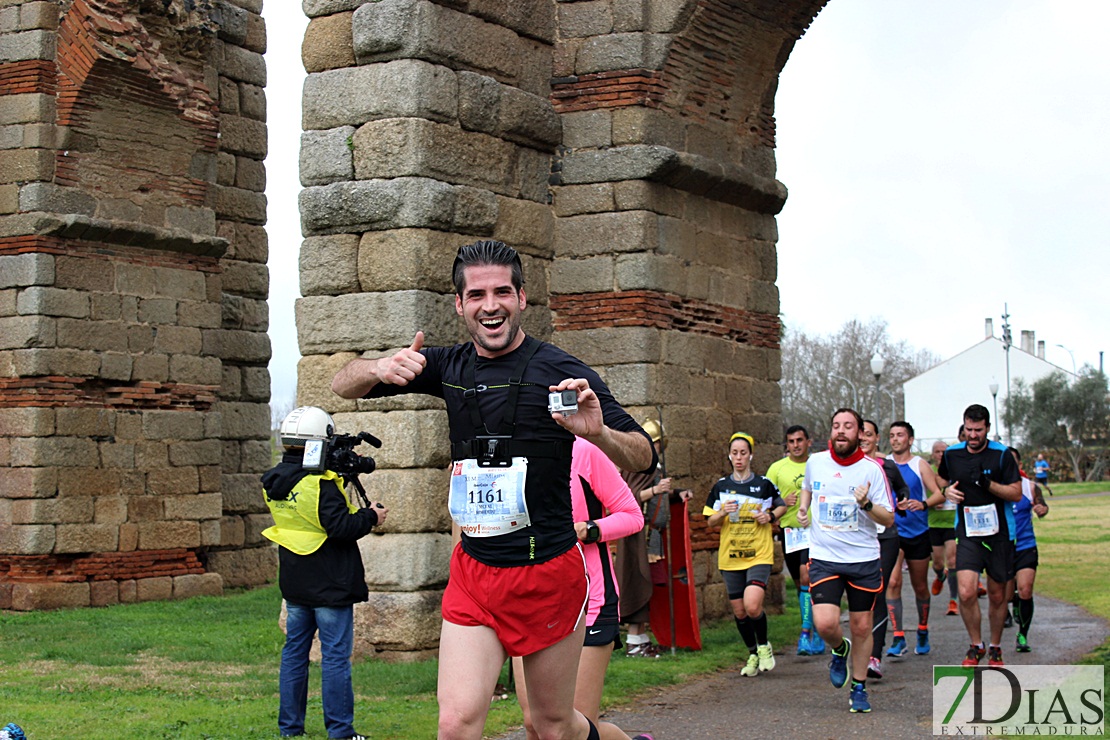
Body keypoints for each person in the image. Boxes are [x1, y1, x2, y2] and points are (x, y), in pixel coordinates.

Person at [331, 240, 655, 740]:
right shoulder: (446, 366)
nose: (491, 305)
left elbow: (644, 455)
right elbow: (341, 384)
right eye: (477, 294)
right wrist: (377, 368)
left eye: (502, 291)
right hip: (476, 574)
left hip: (547, 571)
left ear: (522, 298)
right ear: (459, 304)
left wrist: (599, 435)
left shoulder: (561, 372)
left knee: (550, 726)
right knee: (455, 723)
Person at [262, 406, 389, 740]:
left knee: (294, 654)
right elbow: (340, 526)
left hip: (295, 579)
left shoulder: (274, 481)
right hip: (330, 581)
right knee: (334, 658)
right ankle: (341, 732)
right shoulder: (319, 485)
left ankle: (290, 729)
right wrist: (371, 516)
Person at [513, 438, 653, 740]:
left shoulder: (584, 452)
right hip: (529, 600)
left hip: (590, 599)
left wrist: (588, 529)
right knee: (534, 723)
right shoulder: (508, 452)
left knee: (571, 728)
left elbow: (632, 516)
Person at [798, 409, 895, 714]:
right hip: (825, 557)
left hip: (862, 559)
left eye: (848, 427)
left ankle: (859, 686)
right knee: (825, 623)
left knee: (862, 625)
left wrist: (866, 503)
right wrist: (803, 508)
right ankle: (840, 649)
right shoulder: (816, 462)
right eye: (837, 426)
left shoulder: (872, 470)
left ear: (859, 434)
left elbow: (889, 518)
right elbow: (808, 488)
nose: (841, 431)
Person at [936, 404, 1022, 668]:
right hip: (968, 533)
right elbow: (942, 481)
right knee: (965, 591)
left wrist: (989, 485)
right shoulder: (952, 454)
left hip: (1000, 534)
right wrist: (948, 491)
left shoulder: (1002, 455)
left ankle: (995, 647)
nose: (973, 435)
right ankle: (976, 645)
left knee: (997, 596)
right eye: (969, 430)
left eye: (978, 430)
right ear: (964, 427)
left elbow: (1016, 493)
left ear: (987, 428)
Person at [703, 433, 787, 677]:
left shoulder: (763, 485)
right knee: (739, 611)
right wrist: (723, 513)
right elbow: (710, 522)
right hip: (731, 555)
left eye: (743, 453)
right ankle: (752, 653)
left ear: (751, 455)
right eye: (735, 453)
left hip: (758, 553)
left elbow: (781, 505)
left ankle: (763, 646)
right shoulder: (721, 487)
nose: (739, 458)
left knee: (752, 606)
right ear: (729, 456)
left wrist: (769, 517)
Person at [616, 419, 691, 658]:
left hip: (653, 539)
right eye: (654, 443)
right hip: (638, 537)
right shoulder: (635, 467)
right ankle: (634, 641)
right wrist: (656, 490)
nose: (657, 447)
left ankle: (642, 638)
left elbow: (659, 498)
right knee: (639, 584)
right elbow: (629, 498)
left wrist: (677, 494)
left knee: (651, 587)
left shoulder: (654, 469)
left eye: (658, 443)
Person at [887, 421, 946, 657]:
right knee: (892, 583)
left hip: (918, 533)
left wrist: (923, 504)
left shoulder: (919, 464)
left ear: (910, 440)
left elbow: (939, 495)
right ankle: (898, 636)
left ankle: (922, 629)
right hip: (893, 532)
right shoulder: (884, 465)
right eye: (892, 435)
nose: (895, 439)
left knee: (920, 586)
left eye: (900, 435)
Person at [766, 425, 825, 656]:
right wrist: (781, 502)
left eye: (800, 440)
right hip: (790, 533)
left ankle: (807, 632)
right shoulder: (777, 468)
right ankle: (814, 627)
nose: (796, 445)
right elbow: (765, 497)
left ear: (808, 442)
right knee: (803, 583)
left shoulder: (818, 465)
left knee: (806, 574)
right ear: (786, 445)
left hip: (816, 531)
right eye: (791, 441)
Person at [856, 419, 907, 680]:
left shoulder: (887, 466)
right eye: (860, 434)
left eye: (868, 434)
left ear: (877, 439)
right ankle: (854, 650)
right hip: (856, 537)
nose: (863, 438)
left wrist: (905, 501)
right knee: (857, 595)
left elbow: (902, 489)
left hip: (885, 537)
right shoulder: (846, 468)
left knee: (877, 590)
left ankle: (874, 655)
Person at [1007, 448, 1049, 652]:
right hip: (1002, 548)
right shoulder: (993, 489)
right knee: (1005, 596)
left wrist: (1042, 509)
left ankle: (1022, 635)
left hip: (1025, 546)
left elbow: (1042, 506)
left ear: (1020, 465)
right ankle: (1012, 600)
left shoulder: (1030, 487)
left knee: (1025, 589)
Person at [927, 440, 959, 617]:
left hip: (952, 523)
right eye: (937, 451)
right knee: (938, 563)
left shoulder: (956, 472)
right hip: (934, 523)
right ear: (933, 454)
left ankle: (953, 600)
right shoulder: (929, 474)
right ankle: (940, 576)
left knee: (953, 561)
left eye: (943, 451)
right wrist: (933, 503)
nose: (940, 455)